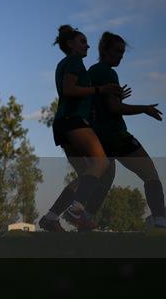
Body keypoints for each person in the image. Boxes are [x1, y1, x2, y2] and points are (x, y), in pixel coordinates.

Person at [38, 25, 127, 232]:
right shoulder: (74, 61)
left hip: (62, 123)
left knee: (87, 175)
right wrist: (100, 89)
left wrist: (108, 96)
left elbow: (78, 92)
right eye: (82, 41)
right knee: (102, 163)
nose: (87, 45)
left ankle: (50, 217)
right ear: (70, 44)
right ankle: (76, 209)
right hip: (74, 121)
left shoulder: (63, 64)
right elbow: (70, 90)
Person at [84, 32, 166, 230]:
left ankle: (85, 219)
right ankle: (160, 224)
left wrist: (118, 98)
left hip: (99, 137)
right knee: (151, 174)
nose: (121, 56)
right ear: (105, 50)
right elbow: (114, 109)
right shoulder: (107, 72)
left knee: (105, 180)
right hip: (116, 136)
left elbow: (101, 106)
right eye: (117, 51)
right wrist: (144, 109)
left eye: (122, 52)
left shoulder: (92, 71)